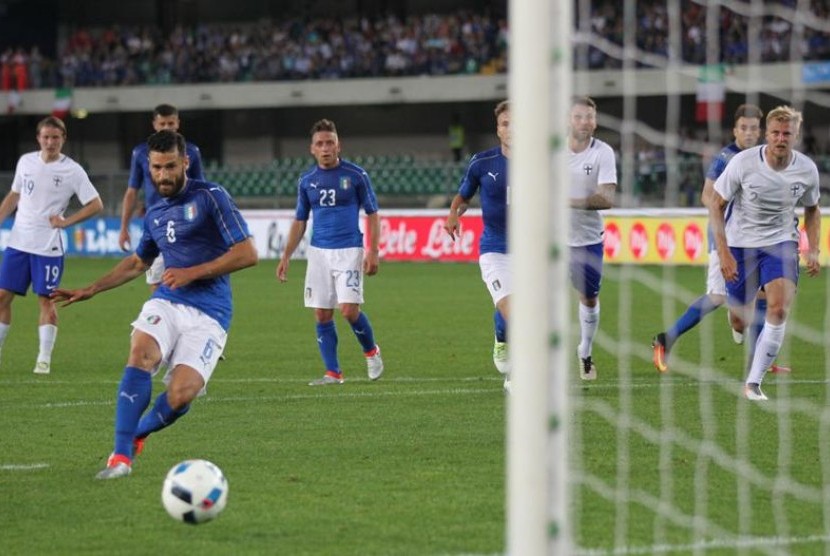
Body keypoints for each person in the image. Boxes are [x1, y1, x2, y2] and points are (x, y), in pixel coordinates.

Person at [52, 130, 258, 478]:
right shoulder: (156, 213)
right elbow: (137, 263)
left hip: (212, 312)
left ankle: (137, 434)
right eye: (157, 168)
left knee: (181, 395)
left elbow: (248, 253)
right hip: (167, 301)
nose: (163, 175)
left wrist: (193, 272)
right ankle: (120, 457)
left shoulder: (211, 197)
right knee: (141, 354)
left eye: (170, 167)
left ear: (186, 163)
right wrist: (92, 288)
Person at [651, 104, 789, 374]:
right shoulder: (727, 158)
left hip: (753, 240)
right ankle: (665, 339)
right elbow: (707, 195)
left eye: (753, 128)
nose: (749, 133)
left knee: (764, 294)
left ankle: (758, 361)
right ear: (735, 130)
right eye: (743, 128)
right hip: (725, 239)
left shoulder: (762, 157)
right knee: (716, 296)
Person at [708, 105, 820, 400]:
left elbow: (812, 208)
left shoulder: (807, 169)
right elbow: (715, 205)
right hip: (740, 245)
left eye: (787, 133)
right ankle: (738, 320)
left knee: (779, 308)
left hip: (781, 243)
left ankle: (753, 382)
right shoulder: (743, 163)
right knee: (738, 320)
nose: (781, 138)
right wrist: (724, 253)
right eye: (775, 133)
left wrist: (814, 249)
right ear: (766, 135)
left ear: (795, 136)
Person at [276, 119, 384, 386]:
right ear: (312, 149)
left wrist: (373, 251)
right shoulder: (307, 181)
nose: (325, 148)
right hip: (319, 253)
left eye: (330, 143)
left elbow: (372, 214)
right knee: (322, 314)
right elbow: (300, 220)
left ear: (339, 146)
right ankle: (333, 373)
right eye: (320, 144)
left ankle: (371, 351)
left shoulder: (356, 176)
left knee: (348, 310)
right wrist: (286, 255)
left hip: (349, 249)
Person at [0, 116, 103, 375]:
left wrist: (66, 222)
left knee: (46, 301)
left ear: (63, 139)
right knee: (2, 298)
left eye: (55, 137)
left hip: (48, 247)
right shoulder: (26, 162)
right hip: (19, 243)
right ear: (38, 138)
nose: (50, 142)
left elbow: (95, 204)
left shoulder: (72, 170)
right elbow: (15, 194)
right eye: (46, 137)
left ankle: (43, 359)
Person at [444, 100, 510, 391]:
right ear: (498, 130)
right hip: (495, 250)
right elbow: (463, 196)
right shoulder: (482, 162)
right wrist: (453, 215)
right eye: (505, 123)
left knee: (512, 312)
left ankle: (501, 336)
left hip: (532, 252)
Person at [119, 103, 204, 292]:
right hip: (157, 224)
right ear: (154, 125)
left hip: (185, 222)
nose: (167, 128)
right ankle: (160, 318)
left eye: (171, 123)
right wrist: (124, 227)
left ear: (178, 123)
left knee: (186, 280)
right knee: (156, 282)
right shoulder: (141, 153)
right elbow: (132, 191)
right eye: (163, 124)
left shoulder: (191, 152)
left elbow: (200, 190)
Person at [568, 96, 617, 381]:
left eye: (590, 117)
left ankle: (585, 351)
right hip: (551, 241)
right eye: (579, 117)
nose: (585, 122)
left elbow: (606, 198)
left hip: (587, 240)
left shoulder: (603, 153)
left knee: (588, 298)